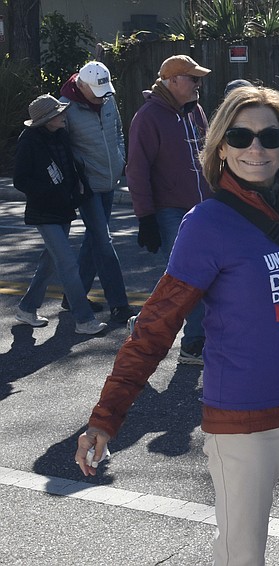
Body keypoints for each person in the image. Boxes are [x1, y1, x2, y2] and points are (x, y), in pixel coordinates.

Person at [75, 85, 279, 566]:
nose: (255, 148)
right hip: (245, 422)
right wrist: (107, 415)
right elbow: (155, 326)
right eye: (240, 137)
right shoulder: (207, 224)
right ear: (221, 146)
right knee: (242, 556)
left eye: (269, 135)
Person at [125, 54, 212, 363]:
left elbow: (209, 157)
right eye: (193, 78)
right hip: (169, 211)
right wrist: (145, 217)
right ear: (173, 81)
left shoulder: (195, 111)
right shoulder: (148, 116)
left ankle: (145, 324)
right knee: (191, 278)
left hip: (202, 208)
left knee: (184, 280)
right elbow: (136, 169)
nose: (198, 83)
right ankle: (194, 344)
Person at [13, 95, 107, 335]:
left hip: (64, 208)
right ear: (46, 119)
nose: (64, 115)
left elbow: (71, 167)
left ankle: (26, 308)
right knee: (67, 263)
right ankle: (84, 320)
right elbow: (20, 180)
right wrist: (49, 193)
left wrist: (77, 188)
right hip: (44, 211)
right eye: (58, 113)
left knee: (50, 262)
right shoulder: (29, 141)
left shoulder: (61, 135)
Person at [59, 61, 135, 323]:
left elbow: (118, 132)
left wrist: (119, 160)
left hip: (109, 179)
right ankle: (119, 304)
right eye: (96, 92)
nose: (102, 97)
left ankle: (73, 296)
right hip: (87, 184)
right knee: (103, 241)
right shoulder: (65, 107)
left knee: (94, 238)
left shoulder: (108, 97)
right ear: (81, 85)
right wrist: (76, 181)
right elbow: (62, 149)